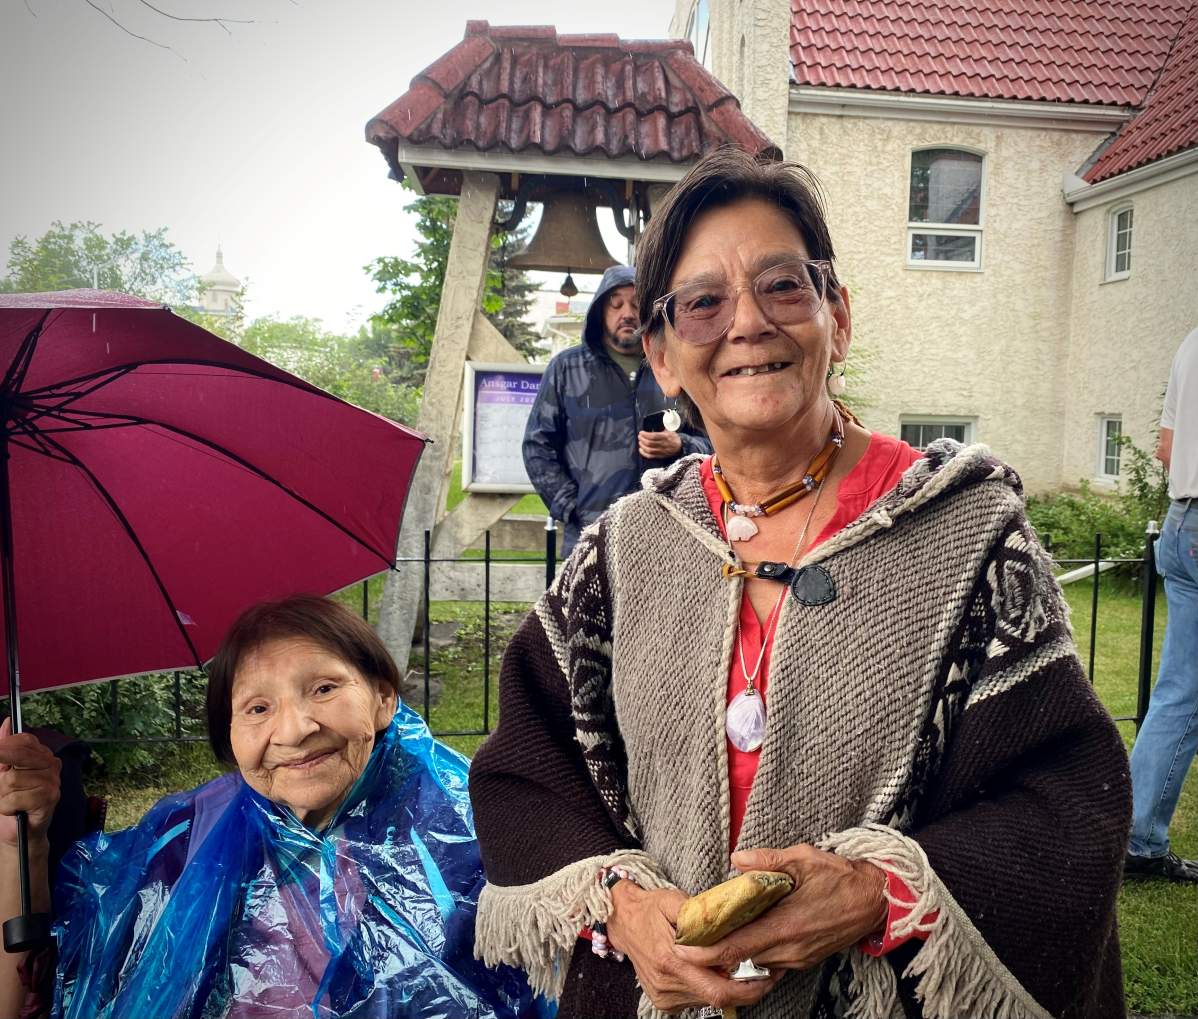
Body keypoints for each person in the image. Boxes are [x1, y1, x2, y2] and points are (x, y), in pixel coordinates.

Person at [469, 149, 1130, 1019]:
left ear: (836, 318)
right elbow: (529, 769)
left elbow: (1065, 800)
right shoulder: (625, 550)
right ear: (662, 355)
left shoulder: (967, 535)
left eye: (782, 285)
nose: (747, 323)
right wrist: (627, 910)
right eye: (703, 303)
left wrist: (873, 890)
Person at [0, 595, 536, 1019]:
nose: (296, 729)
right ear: (230, 734)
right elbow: (50, 983)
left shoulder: (473, 832)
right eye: (258, 707)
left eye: (323, 688)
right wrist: (19, 844)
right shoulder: (183, 844)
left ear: (383, 698)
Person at [522, 264, 711, 556]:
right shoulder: (566, 369)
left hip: (668, 537)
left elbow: (716, 440)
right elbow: (537, 446)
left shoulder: (676, 367)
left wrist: (681, 443)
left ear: (649, 310)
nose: (627, 313)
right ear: (600, 312)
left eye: (636, 304)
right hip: (590, 535)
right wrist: (572, 507)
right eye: (615, 304)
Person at [1126, 325, 1198, 882]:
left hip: (1183, 523)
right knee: (1185, 693)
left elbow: (1167, 447)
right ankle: (1138, 840)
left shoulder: (1192, 342)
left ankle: (1136, 833)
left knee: (1182, 688)